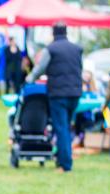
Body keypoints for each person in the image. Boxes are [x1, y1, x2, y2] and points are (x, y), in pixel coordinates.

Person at [26, 21, 83, 173]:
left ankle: (65, 164)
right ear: (66, 31)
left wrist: (29, 79)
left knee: (61, 128)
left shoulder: (51, 49)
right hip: (76, 93)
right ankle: (63, 156)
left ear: (53, 32)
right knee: (67, 127)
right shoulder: (77, 49)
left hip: (58, 94)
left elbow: (40, 68)